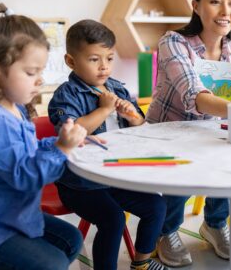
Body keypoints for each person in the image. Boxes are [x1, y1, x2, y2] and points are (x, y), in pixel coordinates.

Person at [146, 0, 231, 267]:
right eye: (215, 2)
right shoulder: (173, 42)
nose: (226, 11)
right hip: (167, 134)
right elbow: (194, 95)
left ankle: (213, 223)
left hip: (209, 131)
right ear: (196, 5)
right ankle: (167, 230)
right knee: (182, 168)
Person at [48, 20, 168, 270]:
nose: (104, 67)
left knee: (156, 205)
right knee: (113, 219)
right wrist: (104, 110)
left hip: (117, 176)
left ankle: (142, 263)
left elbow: (140, 123)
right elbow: (72, 133)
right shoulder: (65, 95)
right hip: (81, 184)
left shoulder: (117, 89)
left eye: (109, 58)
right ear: (71, 61)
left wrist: (131, 116)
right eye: (94, 59)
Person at [0, 4, 85, 270]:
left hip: (11, 214)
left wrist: (62, 142)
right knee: (54, 263)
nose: (40, 80)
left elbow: (30, 150)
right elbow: (25, 175)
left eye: (41, 71)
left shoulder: (14, 107)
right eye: (31, 72)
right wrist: (61, 148)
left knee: (70, 240)